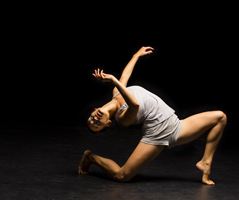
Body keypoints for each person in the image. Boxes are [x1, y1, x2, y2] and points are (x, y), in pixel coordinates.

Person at [78, 46, 227, 185]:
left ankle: (205, 162)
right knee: (122, 175)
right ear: (108, 123)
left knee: (220, 117)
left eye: (92, 119)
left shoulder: (116, 93)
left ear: (94, 110)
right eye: (97, 124)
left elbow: (125, 75)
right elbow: (134, 104)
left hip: (175, 123)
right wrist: (113, 81)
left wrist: (136, 55)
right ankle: (90, 157)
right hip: (159, 133)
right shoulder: (123, 118)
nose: (95, 119)